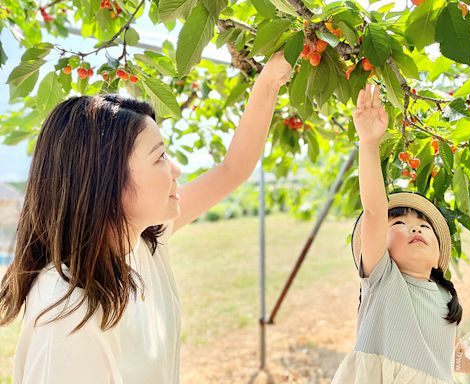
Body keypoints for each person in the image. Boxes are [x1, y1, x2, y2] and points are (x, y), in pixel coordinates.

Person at [0, 51, 292, 384]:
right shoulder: (67, 314)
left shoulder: (142, 241)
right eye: (160, 157)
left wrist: (269, 80)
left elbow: (232, 169)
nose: (176, 169)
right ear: (108, 184)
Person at [331, 84, 463, 384]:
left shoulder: (445, 296)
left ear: (438, 257)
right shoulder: (383, 280)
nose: (414, 227)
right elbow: (375, 211)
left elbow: (454, 356)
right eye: (399, 223)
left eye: (424, 225)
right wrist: (369, 144)